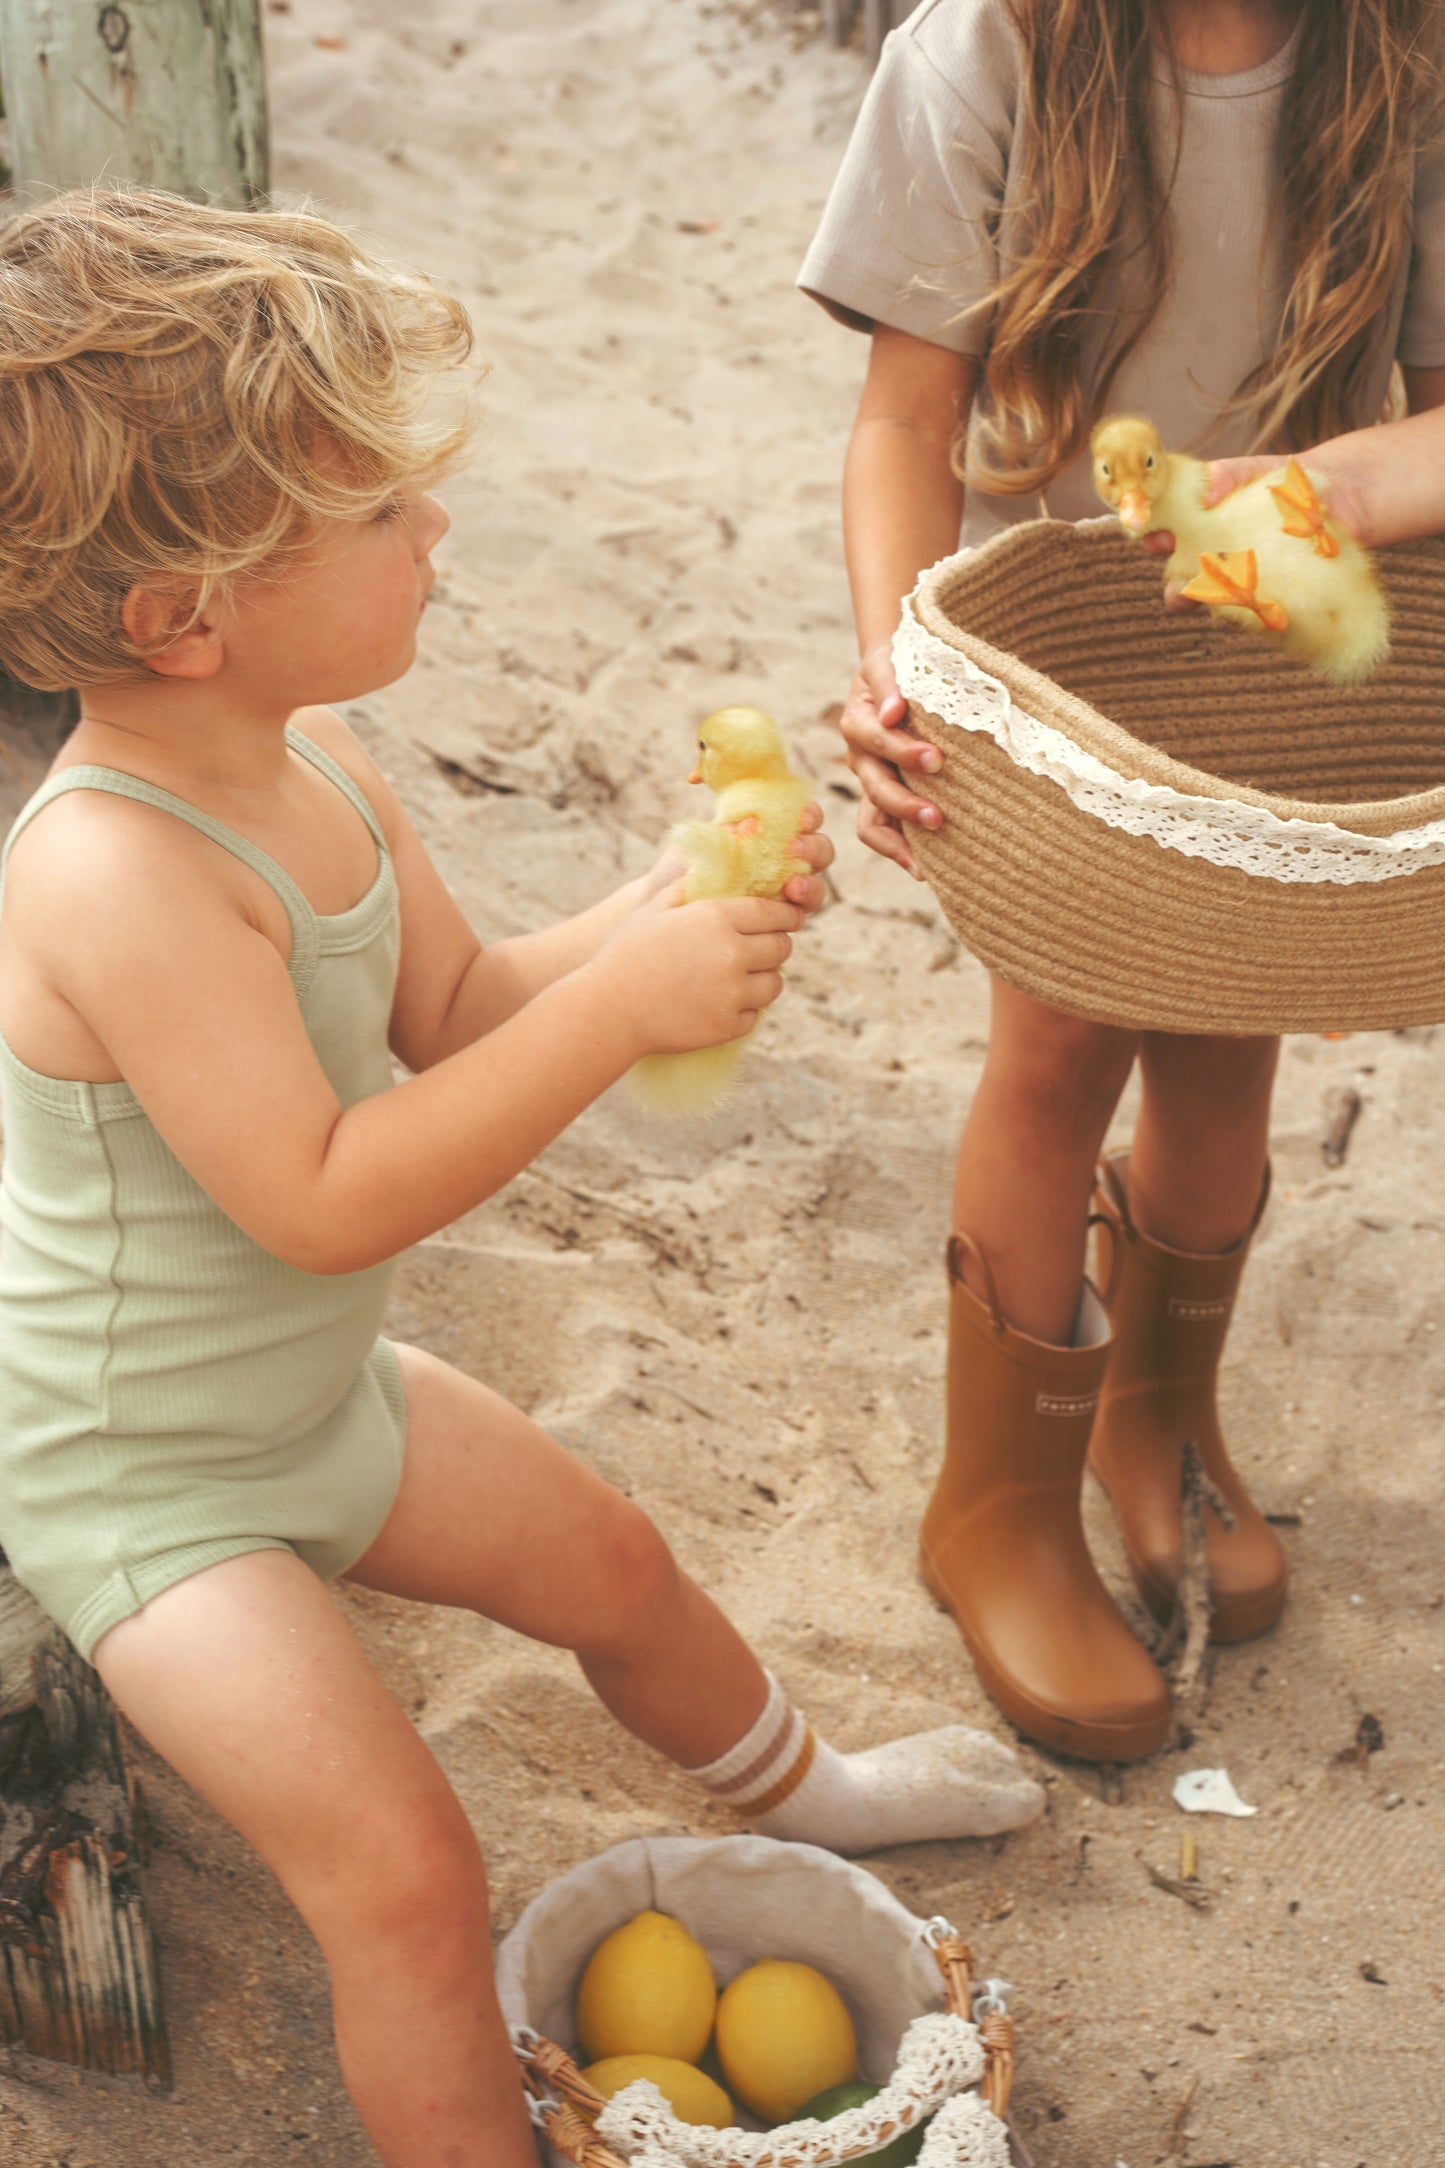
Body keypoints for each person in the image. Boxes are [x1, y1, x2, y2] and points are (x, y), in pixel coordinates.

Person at [0, 191, 1045, 2168]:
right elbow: (321, 1195)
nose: (438, 531)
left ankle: (807, 1793)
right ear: (185, 614)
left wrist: (655, 918)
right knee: (402, 1872)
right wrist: (623, 1008)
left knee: (616, 1567)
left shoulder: (316, 763)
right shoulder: (107, 869)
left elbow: (464, 1012)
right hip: (146, 1483)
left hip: (308, 1398)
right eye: (383, 511)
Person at [799, 0, 1445, 1762]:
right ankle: (993, 1503)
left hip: (1294, 647)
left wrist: (1314, 499)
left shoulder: (1401, 57)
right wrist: (894, 668)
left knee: (1231, 1040)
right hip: (1053, 663)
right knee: (1061, 1046)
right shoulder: (984, 53)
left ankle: (1154, 1412)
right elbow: (900, 422)